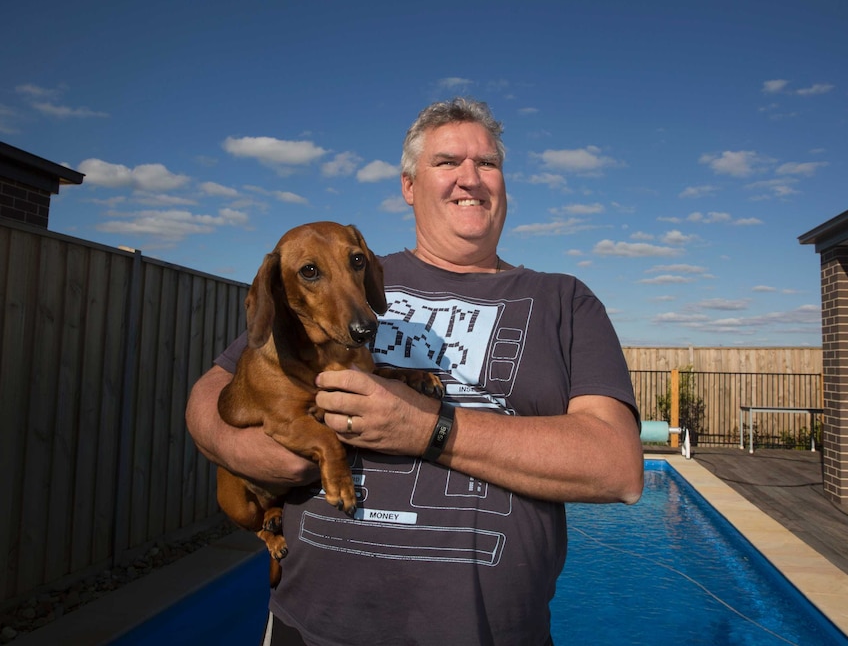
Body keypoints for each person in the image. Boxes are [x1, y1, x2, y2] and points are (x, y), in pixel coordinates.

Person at [186, 97, 643, 646]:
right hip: (309, 630)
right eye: (448, 162)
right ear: (409, 186)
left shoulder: (564, 300)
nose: (470, 179)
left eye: (488, 163)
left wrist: (427, 427)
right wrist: (244, 452)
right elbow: (216, 389)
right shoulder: (336, 284)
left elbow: (619, 468)